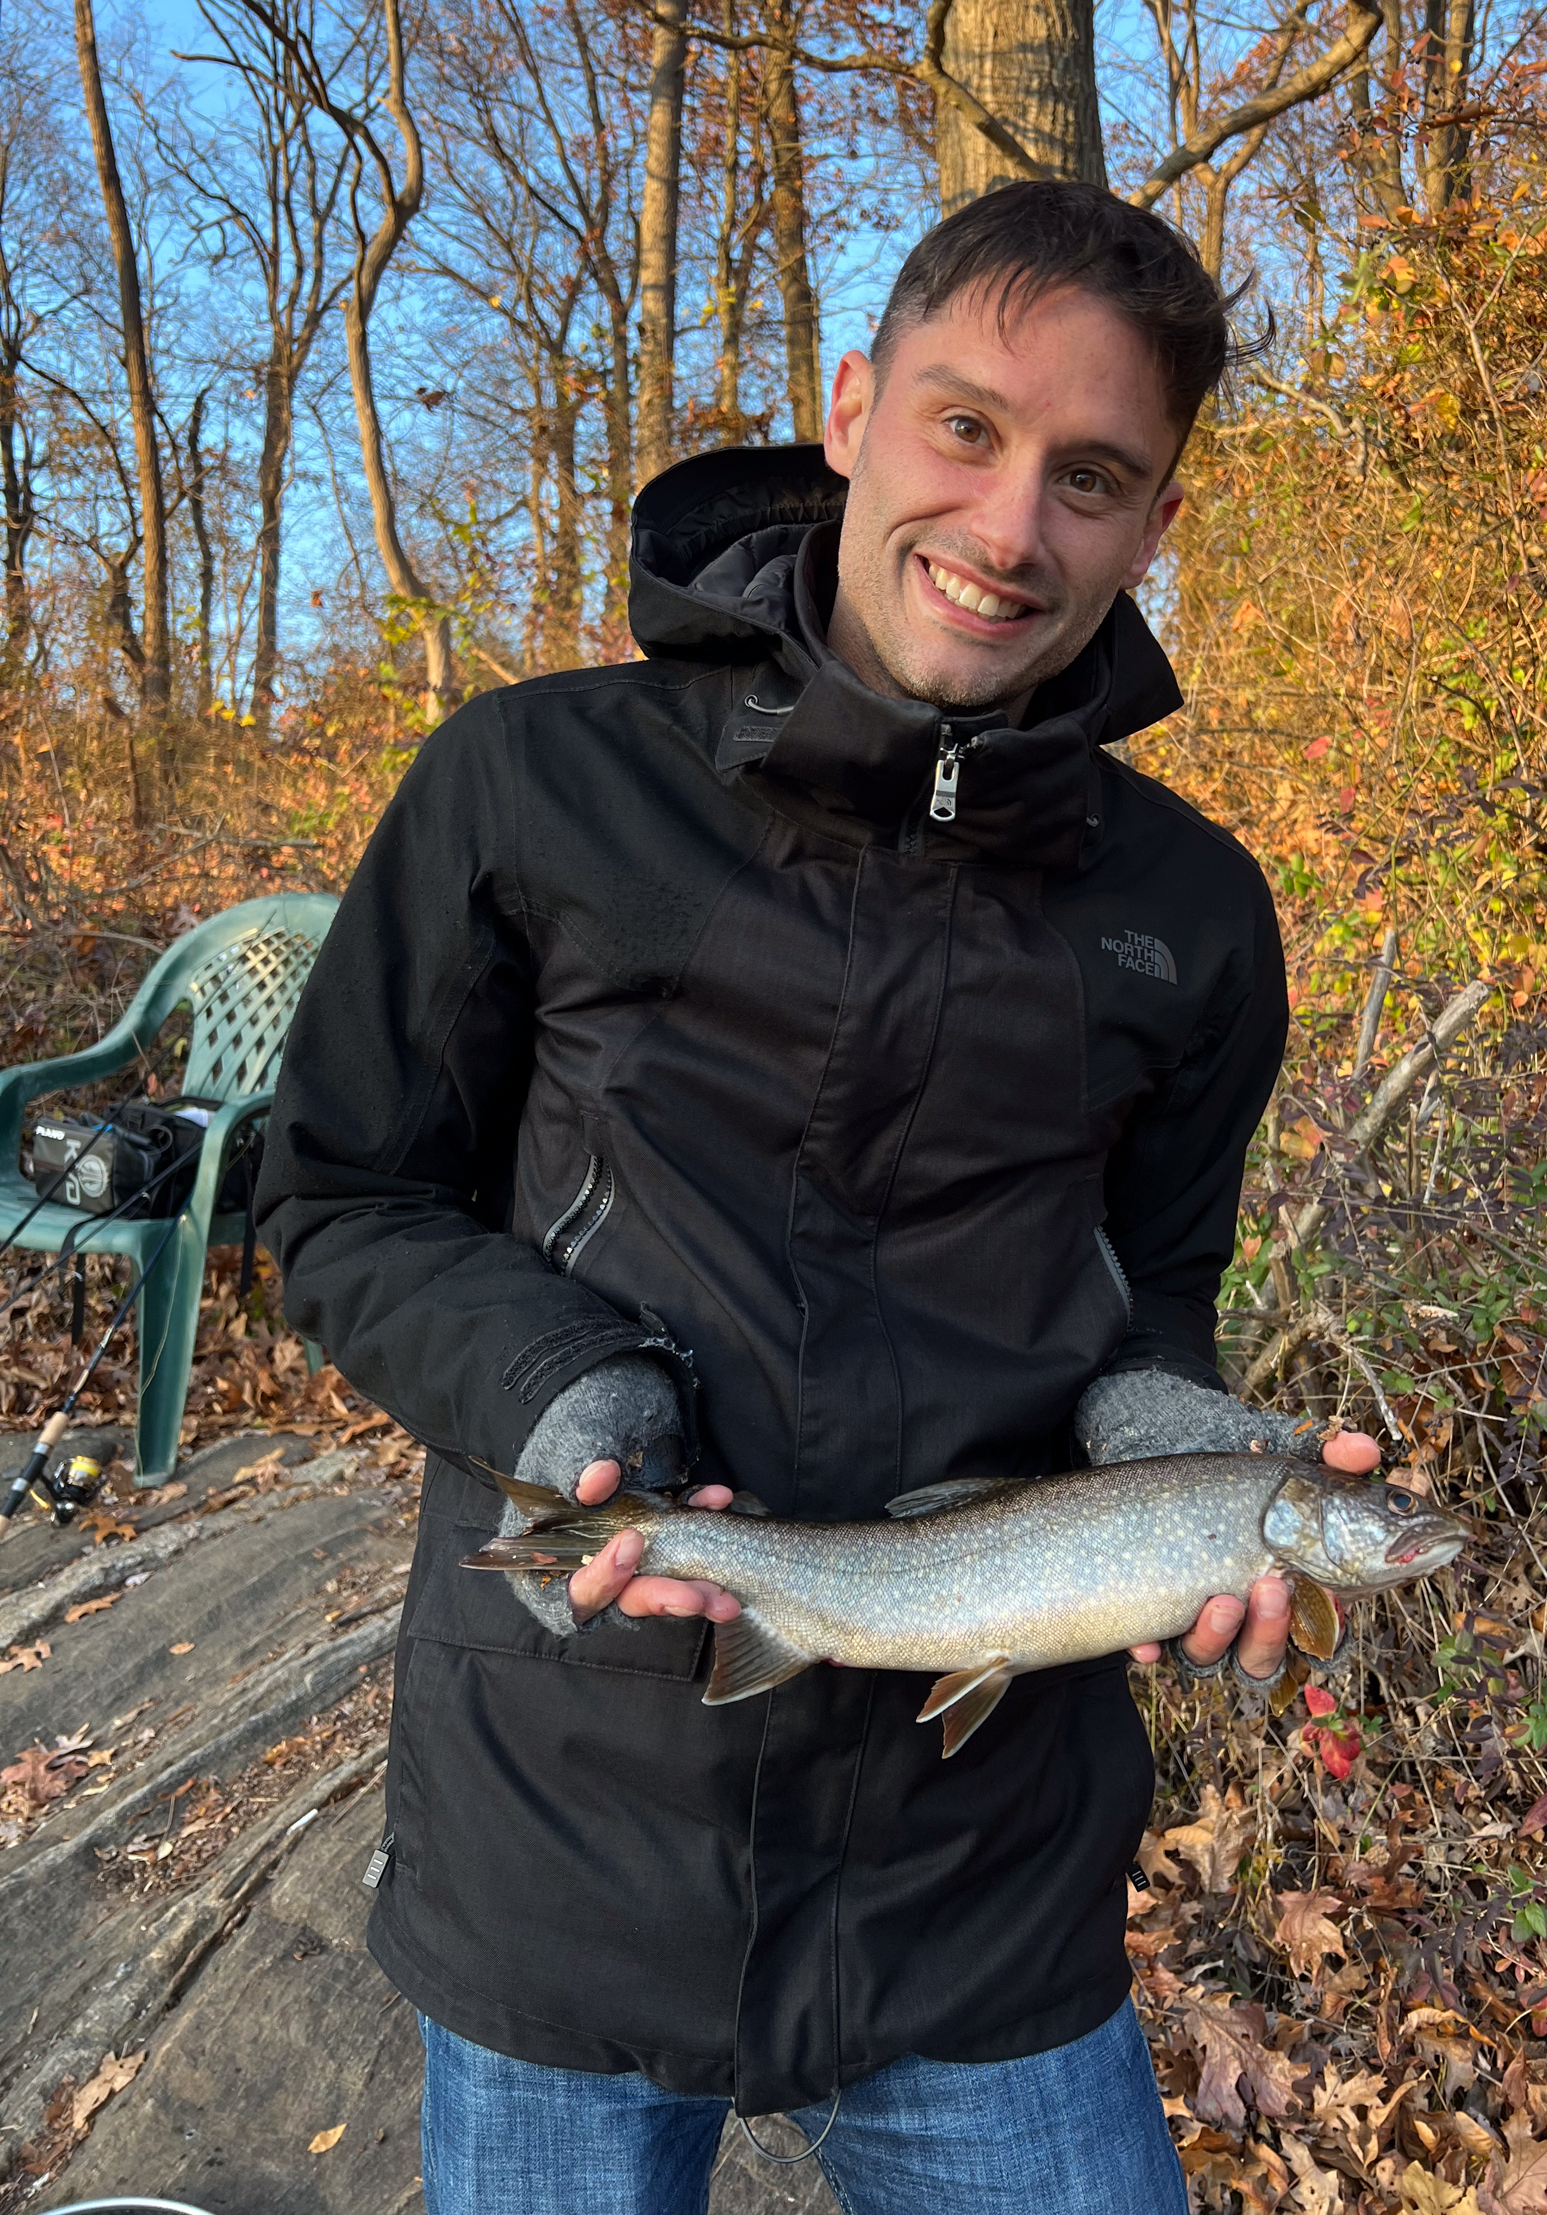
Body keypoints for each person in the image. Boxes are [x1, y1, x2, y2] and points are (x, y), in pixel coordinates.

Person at [258, 178, 1379, 2215]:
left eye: (1091, 477)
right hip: (566, 1821)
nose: (1013, 526)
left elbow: (1157, 1286)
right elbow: (338, 1196)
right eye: (967, 426)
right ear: (852, 410)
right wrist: (563, 1394)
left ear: (1155, 525)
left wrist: (1170, 1435)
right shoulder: (532, 785)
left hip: (983, 1872)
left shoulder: (1194, 914)